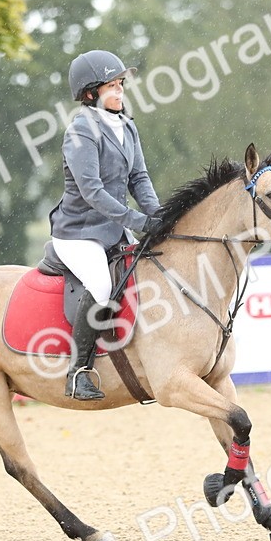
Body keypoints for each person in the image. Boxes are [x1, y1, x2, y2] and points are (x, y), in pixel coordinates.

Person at [46, 49, 163, 400]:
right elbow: (92, 191)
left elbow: (139, 178)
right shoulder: (80, 130)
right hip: (79, 232)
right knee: (100, 284)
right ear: (90, 93)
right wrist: (138, 220)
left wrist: (159, 215)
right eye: (112, 85)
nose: (120, 90)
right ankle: (78, 373)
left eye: (121, 83)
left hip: (113, 230)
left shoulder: (127, 126)